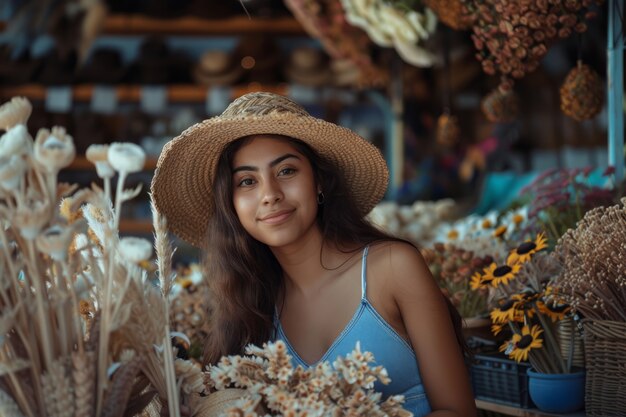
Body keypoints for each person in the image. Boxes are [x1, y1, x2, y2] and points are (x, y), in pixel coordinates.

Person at [151, 92, 477, 417]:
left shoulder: (391, 267)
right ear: (231, 205)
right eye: (247, 181)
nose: (270, 195)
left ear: (318, 180)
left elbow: (459, 412)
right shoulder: (250, 311)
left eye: (287, 171)